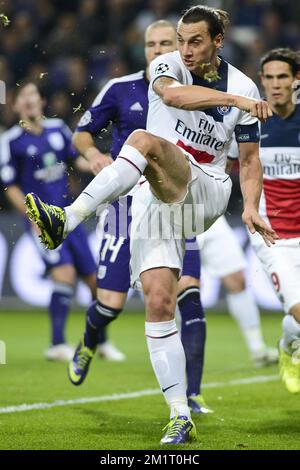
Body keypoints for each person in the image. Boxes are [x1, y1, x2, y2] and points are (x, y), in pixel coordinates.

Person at [25, 5, 276, 444]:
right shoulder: (171, 68)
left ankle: (66, 220)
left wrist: (251, 206)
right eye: (180, 40)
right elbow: (175, 97)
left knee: (142, 141)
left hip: (207, 190)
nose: (184, 49)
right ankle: (180, 414)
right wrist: (235, 102)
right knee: (159, 302)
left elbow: (250, 160)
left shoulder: (244, 84)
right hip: (155, 199)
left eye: (195, 41)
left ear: (218, 41)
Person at [70, 19, 209, 414]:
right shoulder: (119, 89)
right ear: (144, 48)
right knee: (110, 304)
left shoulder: (193, 89)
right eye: (152, 43)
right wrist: (92, 154)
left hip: (180, 203)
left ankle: (191, 396)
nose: (159, 49)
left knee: (190, 293)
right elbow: (82, 132)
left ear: (179, 47)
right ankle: (89, 340)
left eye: (167, 42)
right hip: (124, 206)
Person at [0, 80, 124, 361]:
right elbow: (12, 188)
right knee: (64, 275)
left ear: (41, 101)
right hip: (43, 221)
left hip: (70, 215)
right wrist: (34, 217)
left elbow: (74, 160)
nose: (29, 100)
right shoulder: (9, 142)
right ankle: (57, 344)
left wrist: (98, 164)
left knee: (94, 281)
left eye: (33, 94)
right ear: (16, 105)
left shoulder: (57, 129)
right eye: (23, 96)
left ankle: (100, 342)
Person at [249, 48, 300, 392]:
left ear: (297, 81)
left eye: (283, 77)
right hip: (271, 236)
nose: (275, 84)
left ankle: (288, 345)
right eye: (269, 77)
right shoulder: (250, 123)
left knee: (295, 320)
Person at [197, 215, 278, 366]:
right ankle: (184, 351)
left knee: (237, 279)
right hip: (176, 217)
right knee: (183, 287)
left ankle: (258, 349)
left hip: (209, 215)